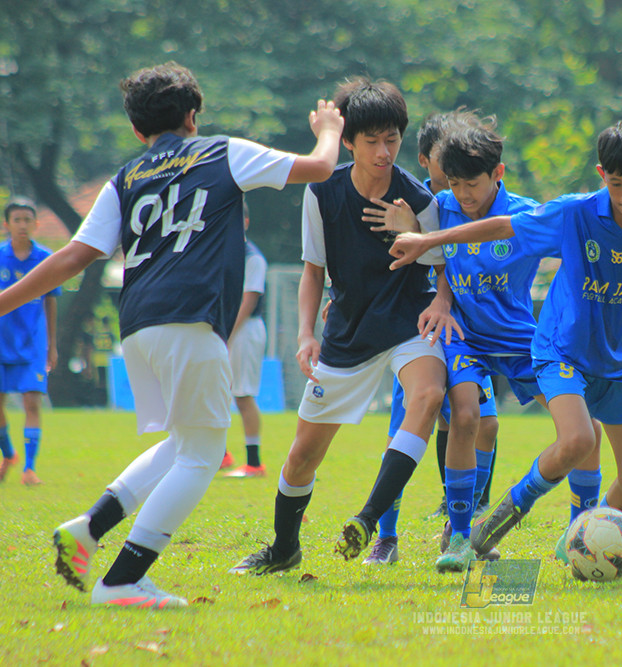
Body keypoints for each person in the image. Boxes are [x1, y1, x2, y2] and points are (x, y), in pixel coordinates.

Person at [0, 62, 345, 608]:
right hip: (189, 320)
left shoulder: (126, 177)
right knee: (203, 454)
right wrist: (328, 128)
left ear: (138, 129)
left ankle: (89, 528)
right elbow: (322, 168)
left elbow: (72, 256)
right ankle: (122, 580)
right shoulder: (222, 152)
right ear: (192, 115)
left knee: (185, 443)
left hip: (138, 326)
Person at [390, 120, 622, 560]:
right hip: (560, 350)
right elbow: (502, 227)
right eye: (617, 184)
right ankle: (493, 523)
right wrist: (429, 240)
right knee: (577, 439)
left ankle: (582, 538)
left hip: (615, 362)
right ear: (602, 176)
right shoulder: (574, 213)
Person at [229, 76, 459, 576]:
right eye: (372, 141)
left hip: (407, 322)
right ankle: (284, 548)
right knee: (301, 458)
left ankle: (368, 518)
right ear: (349, 141)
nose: (384, 152)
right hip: (348, 331)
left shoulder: (418, 200)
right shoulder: (323, 193)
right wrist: (305, 335)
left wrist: (424, 257)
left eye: (392, 139)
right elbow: (313, 271)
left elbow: (443, 269)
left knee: (428, 395)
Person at [370, 111, 605, 571]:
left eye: (472, 184)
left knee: (587, 428)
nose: (463, 195)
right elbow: (428, 254)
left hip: (520, 339)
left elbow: (577, 253)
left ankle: (580, 532)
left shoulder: (525, 214)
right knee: (466, 416)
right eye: (454, 184)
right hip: (463, 337)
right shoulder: (441, 206)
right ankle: (459, 535)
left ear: (498, 173)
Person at [366, 112, 504, 566]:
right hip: (418, 332)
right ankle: (386, 535)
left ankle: (462, 522)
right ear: (428, 160)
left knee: (481, 422)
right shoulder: (416, 201)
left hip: (467, 333)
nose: (458, 183)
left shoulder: (471, 202)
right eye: (447, 167)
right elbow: (377, 259)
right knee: (407, 428)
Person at [0, 198, 59, 486]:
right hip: (1, 340)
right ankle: (9, 454)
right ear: (6, 224)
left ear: (36, 224)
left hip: (34, 341)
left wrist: (52, 344)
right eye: (17, 220)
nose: (22, 225)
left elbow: (51, 302)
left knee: (32, 402)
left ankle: (29, 468)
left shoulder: (46, 258)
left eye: (27, 220)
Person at [221, 201, 269, 478]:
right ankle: (221, 454)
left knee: (242, 394)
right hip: (225, 330)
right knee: (216, 391)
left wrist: (227, 335)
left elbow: (248, 301)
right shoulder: (222, 253)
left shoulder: (252, 257)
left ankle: (254, 463)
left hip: (245, 330)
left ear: (246, 223)